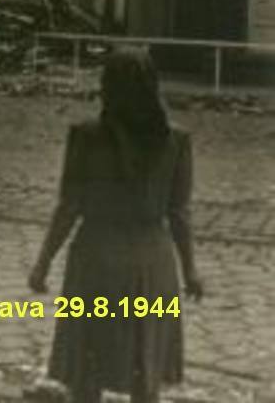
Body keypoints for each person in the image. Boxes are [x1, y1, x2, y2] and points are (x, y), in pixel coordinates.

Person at [28, 47, 202, 403]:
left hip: (96, 257)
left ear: (107, 86)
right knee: (145, 363)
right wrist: (190, 271)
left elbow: (68, 207)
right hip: (152, 263)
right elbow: (179, 213)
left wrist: (43, 262)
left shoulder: (86, 135)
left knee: (86, 365)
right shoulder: (176, 141)